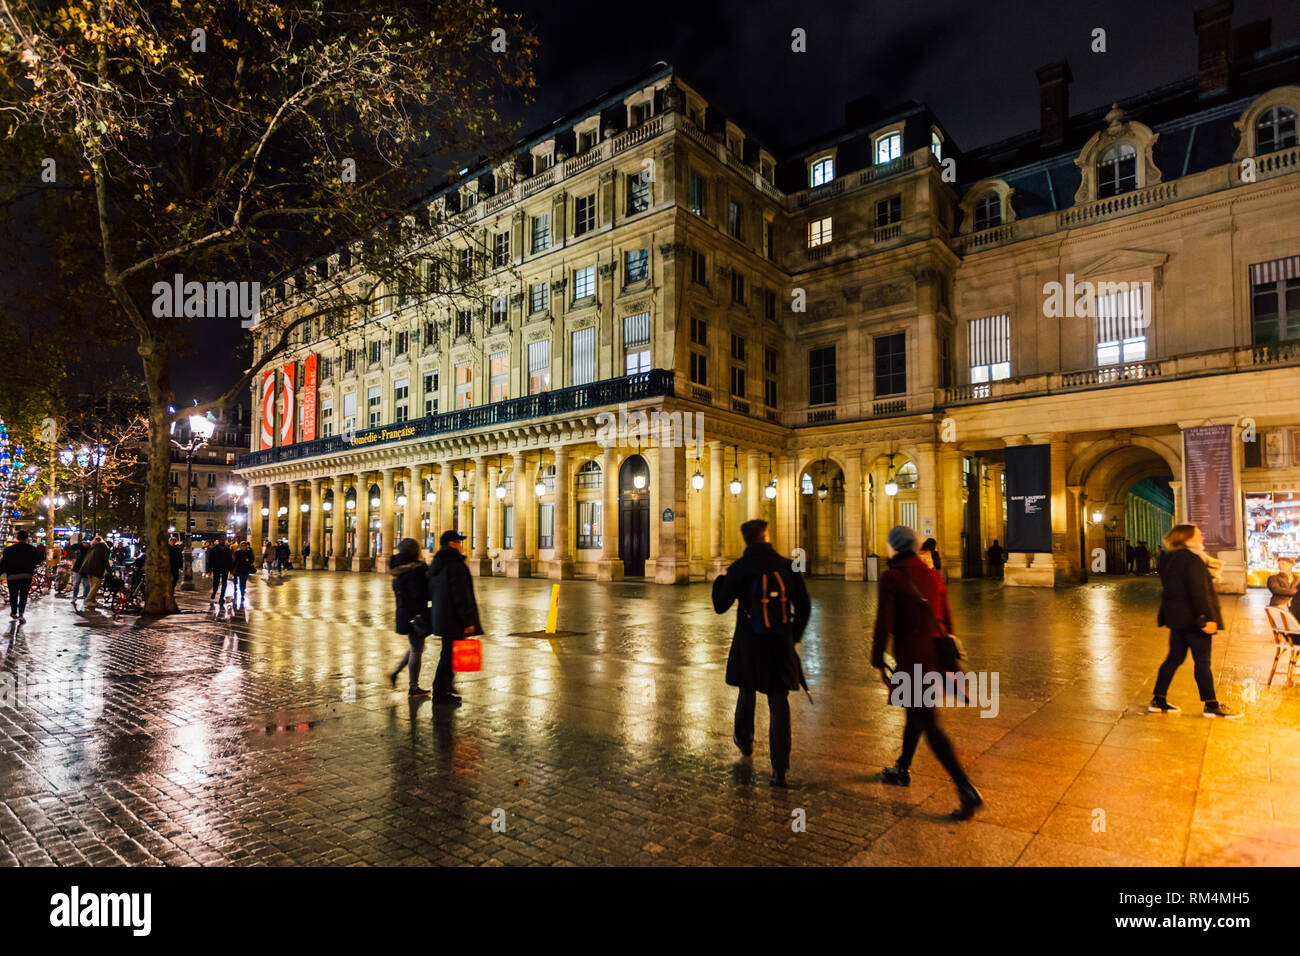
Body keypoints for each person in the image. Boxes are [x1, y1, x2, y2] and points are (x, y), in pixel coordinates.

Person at [873, 525, 982, 820]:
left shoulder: (891, 577)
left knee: (928, 722)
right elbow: (947, 620)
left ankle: (965, 787)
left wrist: (877, 661)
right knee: (917, 713)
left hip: (912, 658)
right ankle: (902, 768)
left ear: (895, 547)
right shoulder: (933, 575)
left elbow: (884, 623)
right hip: (934, 657)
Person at [712, 519, 811, 787]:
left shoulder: (740, 568)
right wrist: (795, 636)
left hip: (749, 642)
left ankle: (744, 741)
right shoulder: (788, 566)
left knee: (747, 690)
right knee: (779, 702)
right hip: (779, 642)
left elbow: (720, 605)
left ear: (746, 540)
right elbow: (804, 606)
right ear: (766, 537)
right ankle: (780, 768)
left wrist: (720, 580)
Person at [1150, 524, 1241, 718]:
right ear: (1187, 538)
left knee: (1174, 658)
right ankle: (1211, 705)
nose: (1202, 537)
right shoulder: (1193, 560)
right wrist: (1206, 618)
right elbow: (1199, 592)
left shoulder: (1169, 559)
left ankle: (1158, 699)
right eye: (1198, 535)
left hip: (1177, 621)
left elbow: (1172, 591)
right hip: (1194, 621)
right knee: (1202, 663)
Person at [426, 529, 482, 705]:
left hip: (442, 616)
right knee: (449, 656)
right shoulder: (454, 564)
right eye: (458, 542)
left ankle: (444, 686)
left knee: (448, 653)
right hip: (453, 618)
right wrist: (468, 621)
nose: (460, 546)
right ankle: (441, 691)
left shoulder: (438, 562)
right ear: (452, 544)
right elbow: (461, 595)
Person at [388, 538, 432, 697]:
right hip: (415, 615)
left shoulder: (399, 569)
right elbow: (420, 593)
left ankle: (396, 673)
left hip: (404, 613)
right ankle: (413, 687)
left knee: (417, 648)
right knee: (416, 650)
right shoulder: (415, 570)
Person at [0, 530, 42, 622]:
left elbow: (3, 563)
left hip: (12, 576)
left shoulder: (8, 549)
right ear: (27, 539)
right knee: (23, 595)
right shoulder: (32, 549)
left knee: (13, 595)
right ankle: (21, 614)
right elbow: (38, 561)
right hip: (26, 576)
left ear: (17, 538)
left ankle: (14, 612)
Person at [80, 535, 112, 608]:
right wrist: (109, 571)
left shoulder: (93, 547)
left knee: (92, 586)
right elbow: (105, 561)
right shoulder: (103, 548)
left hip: (88, 570)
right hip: (96, 570)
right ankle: (88, 600)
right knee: (95, 586)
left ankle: (92, 600)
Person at [207, 537, 233, 604]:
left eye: (224, 540)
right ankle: (214, 592)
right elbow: (210, 559)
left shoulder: (227, 549)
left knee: (224, 583)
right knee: (216, 582)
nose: (223, 541)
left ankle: (221, 597)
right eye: (222, 540)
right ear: (219, 541)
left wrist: (231, 569)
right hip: (216, 568)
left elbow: (230, 560)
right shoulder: (214, 549)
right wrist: (209, 569)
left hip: (225, 568)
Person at [67, 534, 90, 603]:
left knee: (87, 584)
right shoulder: (80, 547)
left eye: (87, 542)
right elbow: (73, 547)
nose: (85, 543)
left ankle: (85, 597)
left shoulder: (91, 548)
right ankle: (74, 597)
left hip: (86, 569)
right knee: (76, 583)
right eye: (84, 542)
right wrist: (81, 544)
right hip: (78, 568)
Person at [232, 540, 255, 607]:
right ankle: (242, 593)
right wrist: (232, 568)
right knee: (241, 581)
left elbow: (252, 559)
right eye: (242, 545)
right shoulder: (237, 552)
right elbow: (234, 561)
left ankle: (243, 589)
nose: (244, 547)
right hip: (239, 569)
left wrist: (249, 561)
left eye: (245, 545)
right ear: (240, 546)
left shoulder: (249, 551)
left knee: (244, 581)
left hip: (246, 569)